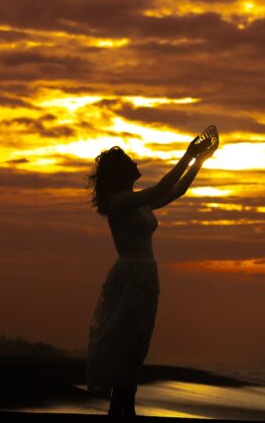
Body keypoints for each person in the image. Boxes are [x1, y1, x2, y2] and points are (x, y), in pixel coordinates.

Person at [85, 135, 217, 419]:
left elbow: (175, 191)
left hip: (144, 275)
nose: (136, 163)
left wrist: (199, 160)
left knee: (136, 342)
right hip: (130, 276)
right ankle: (122, 409)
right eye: (129, 162)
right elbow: (163, 186)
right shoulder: (120, 202)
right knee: (126, 340)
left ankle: (123, 407)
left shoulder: (136, 201)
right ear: (121, 173)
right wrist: (187, 153)